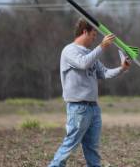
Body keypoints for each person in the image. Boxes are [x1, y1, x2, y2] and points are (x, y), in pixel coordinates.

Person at [49, 18, 130, 167]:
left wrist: (122, 69)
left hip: (93, 108)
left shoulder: (89, 53)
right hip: (78, 108)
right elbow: (83, 63)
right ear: (84, 31)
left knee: (92, 149)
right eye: (93, 34)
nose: (95, 38)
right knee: (69, 145)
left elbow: (104, 73)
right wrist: (101, 47)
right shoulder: (69, 50)